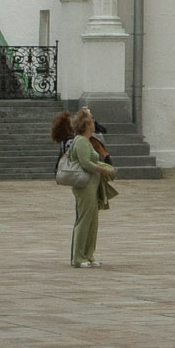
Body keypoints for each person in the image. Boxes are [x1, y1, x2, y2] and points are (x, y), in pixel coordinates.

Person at [51, 110, 116, 268]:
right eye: (92, 121)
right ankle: (79, 257)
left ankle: (89, 254)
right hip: (84, 185)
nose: (94, 124)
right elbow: (86, 163)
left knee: (93, 221)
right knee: (84, 219)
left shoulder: (87, 140)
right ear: (86, 125)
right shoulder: (80, 141)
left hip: (92, 184)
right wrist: (103, 170)